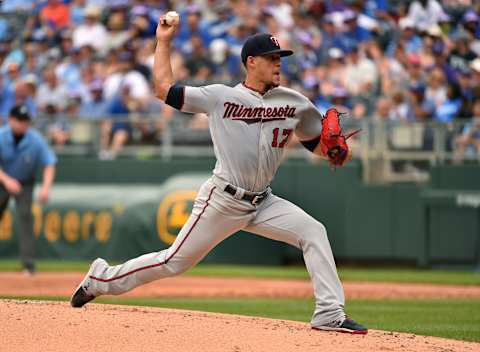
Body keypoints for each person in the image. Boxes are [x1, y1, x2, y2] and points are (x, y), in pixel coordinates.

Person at [71, 13, 368, 335]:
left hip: (263, 202)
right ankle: (102, 278)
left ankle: (329, 313)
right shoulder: (220, 97)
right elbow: (162, 89)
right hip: (222, 200)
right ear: (251, 62)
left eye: (280, 58)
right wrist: (164, 41)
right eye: (272, 59)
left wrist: (338, 151)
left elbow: (321, 147)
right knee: (173, 262)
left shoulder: (295, 103)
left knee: (313, 232)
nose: (278, 64)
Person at [0, 105, 57, 274]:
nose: (23, 124)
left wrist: (46, 188)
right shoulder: (2, 135)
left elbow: (49, 163)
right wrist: (7, 180)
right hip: (2, 179)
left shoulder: (35, 139)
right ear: (10, 120)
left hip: (25, 182)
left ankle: (29, 264)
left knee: (26, 217)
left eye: (25, 121)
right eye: (19, 121)